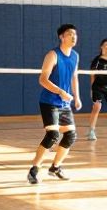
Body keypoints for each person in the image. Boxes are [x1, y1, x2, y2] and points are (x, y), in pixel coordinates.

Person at [28, 24, 80, 185]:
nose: (73, 37)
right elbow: (42, 79)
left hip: (64, 103)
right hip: (49, 101)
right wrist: (60, 92)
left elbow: (74, 78)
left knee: (70, 135)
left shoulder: (75, 56)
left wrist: (76, 97)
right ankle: (34, 170)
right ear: (61, 37)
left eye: (75, 34)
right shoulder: (53, 55)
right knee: (52, 135)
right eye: (69, 34)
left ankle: (55, 167)